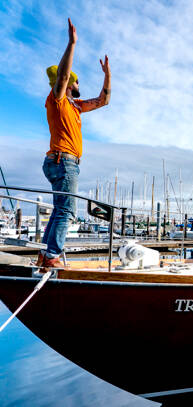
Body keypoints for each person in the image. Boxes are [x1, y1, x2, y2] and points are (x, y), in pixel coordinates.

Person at [37, 18, 111, 270]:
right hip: (63, 161)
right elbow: (65, 75)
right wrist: (72, 43)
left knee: (60, 210)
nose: (79, 85)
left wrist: (108, 75)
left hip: (62, 161)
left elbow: (103, 101)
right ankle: (52, 255)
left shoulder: (75, 106)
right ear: (68, 83)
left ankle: (46, 254)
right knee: (67, 211)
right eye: (76, 81)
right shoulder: (57, 99)